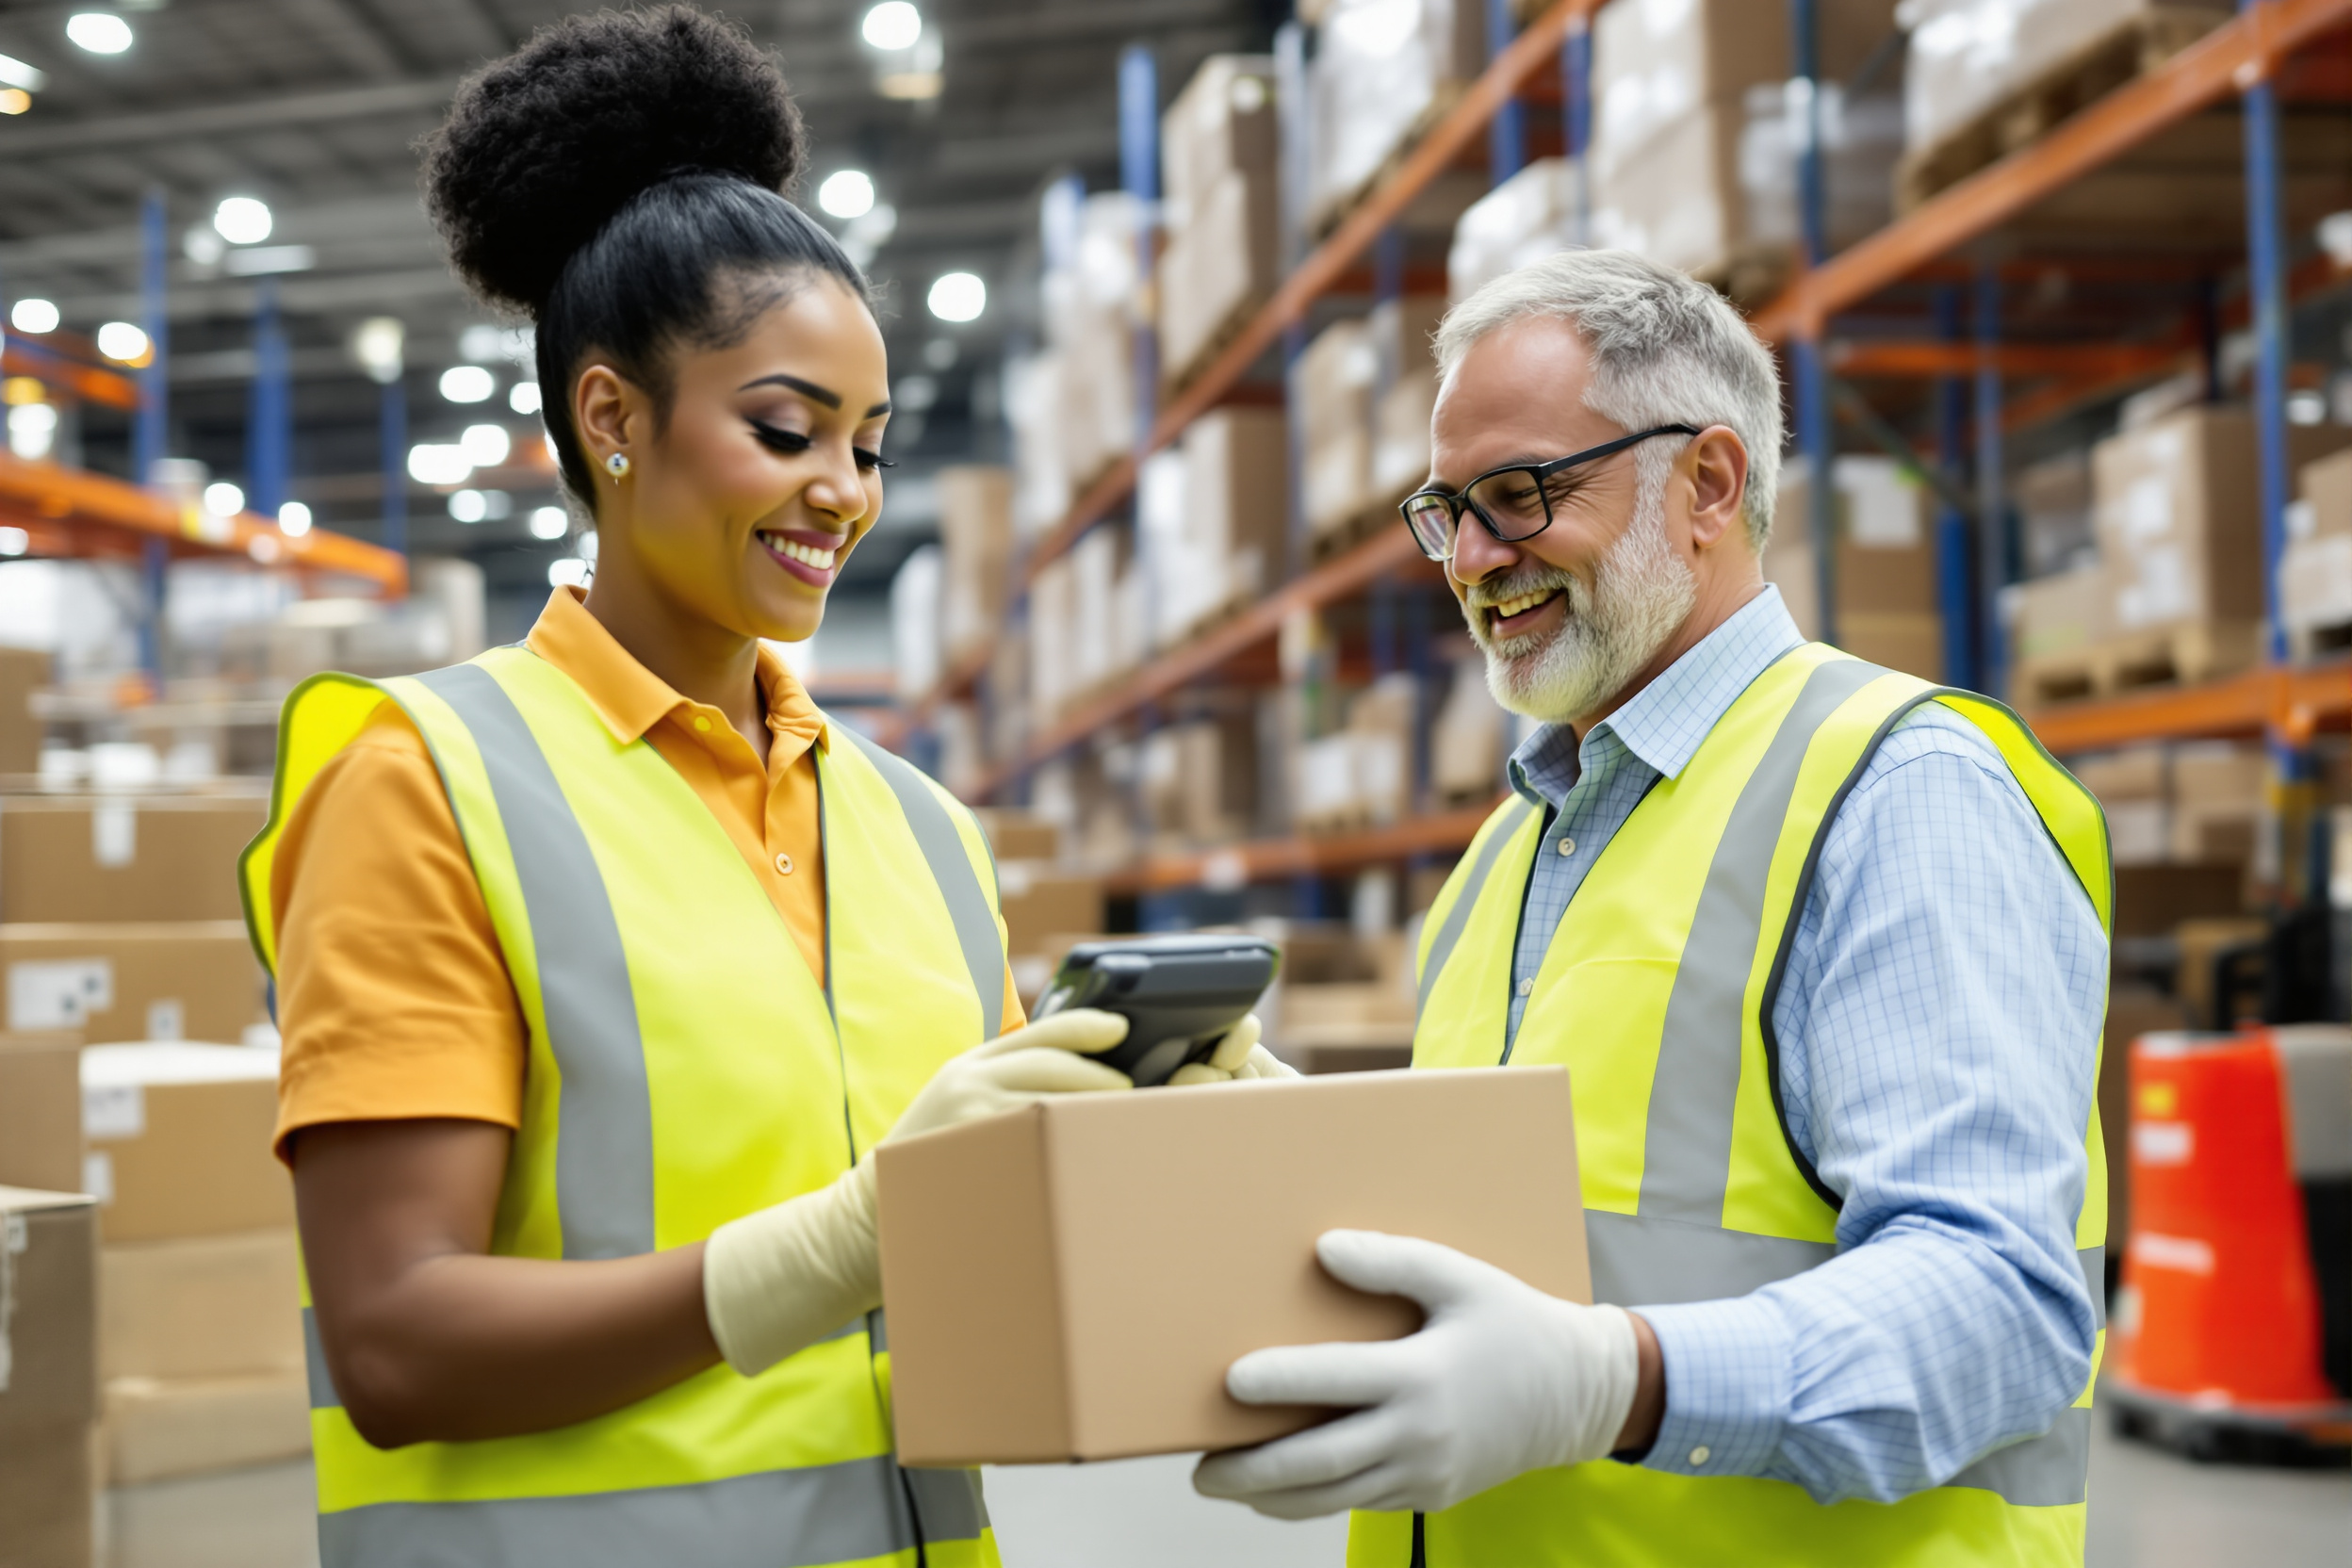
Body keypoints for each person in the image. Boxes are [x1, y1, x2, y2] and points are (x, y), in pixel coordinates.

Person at [237, 12, 1280, 1566]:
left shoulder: (919, 828)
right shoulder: (427, 782)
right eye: (784, 432)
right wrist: (848, 1240)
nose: (844, 496)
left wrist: (1163, 1143)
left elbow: (998, 1251)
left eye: (869, 445)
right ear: (612, 421)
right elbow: (398, 1345)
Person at [1192, 249, 2112, 1564]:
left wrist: (1614, 1384)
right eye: (1446, 509)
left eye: (1516, 496)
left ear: (1709, 484)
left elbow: (2003, 1315)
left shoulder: (1897, 792)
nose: (1468, 558)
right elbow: (1554, 1231)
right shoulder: (1510, 852)